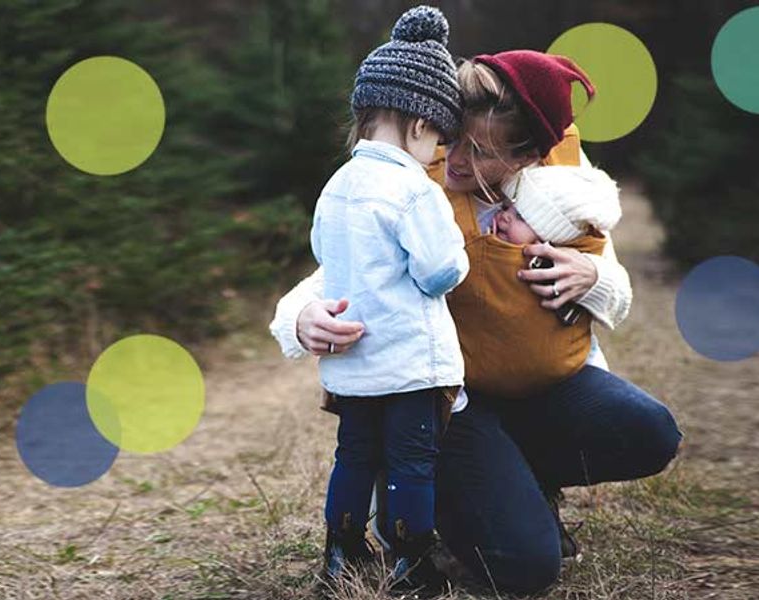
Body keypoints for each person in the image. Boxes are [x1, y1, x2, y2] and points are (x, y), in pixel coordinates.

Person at [270, 50, 682, 594]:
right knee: (527, 568)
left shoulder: (562, 191)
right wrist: (300, 318)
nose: (456, 159)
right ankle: (443, 495)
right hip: (450, 402)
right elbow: (341, 271)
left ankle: (520, 482)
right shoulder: (417, 184)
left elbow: (616, 288)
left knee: (650, 431)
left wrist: (593, 277)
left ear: (528, 155)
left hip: (543, 389)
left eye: (480, 151)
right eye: (452, 139)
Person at [311, 5, 467, 591]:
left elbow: (326, 257)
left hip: (353, 364)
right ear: (421, 125)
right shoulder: (412, 188)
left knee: (353, 457)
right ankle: (413, 558)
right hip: (409, 363)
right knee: (409, 464)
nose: (439, 154)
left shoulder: (336, 186)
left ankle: (341, 550)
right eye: (441, 140)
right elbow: (439, 271)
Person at [458, 164, 623, 399]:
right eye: (505, 207)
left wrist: (596, 277)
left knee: (651, 421)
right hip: (479, 382)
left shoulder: (573, 216)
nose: (503, 216)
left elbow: (620, 299)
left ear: (550, 239)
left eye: (521, 217)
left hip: (565, 374)